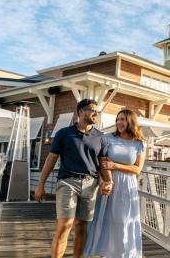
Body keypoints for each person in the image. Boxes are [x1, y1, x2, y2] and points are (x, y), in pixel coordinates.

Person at [34, 99, 113, 258]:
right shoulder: (64, 133)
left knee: (81, 226)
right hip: (67, 183)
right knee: (65, 225)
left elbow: (103, 164)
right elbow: (51, 158)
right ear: (81, 112)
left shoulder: (101, 137)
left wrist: (109, 181)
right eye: (92, 110)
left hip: (91, 185)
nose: (95, 113)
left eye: (97, 110)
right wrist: (40, 184)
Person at [83, 109, 146, 258]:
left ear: (130, 121)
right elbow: (102, 162)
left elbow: (137, 169)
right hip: (108, 183)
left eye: (123, 119)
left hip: (127, 186)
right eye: (118, 119)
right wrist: (106, 181)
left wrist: (116, 165)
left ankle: (122, 253)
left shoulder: (139, 143)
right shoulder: (108, 138)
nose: (119, 122)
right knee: (105, 219)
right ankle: (103, 253)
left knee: (123, 220)